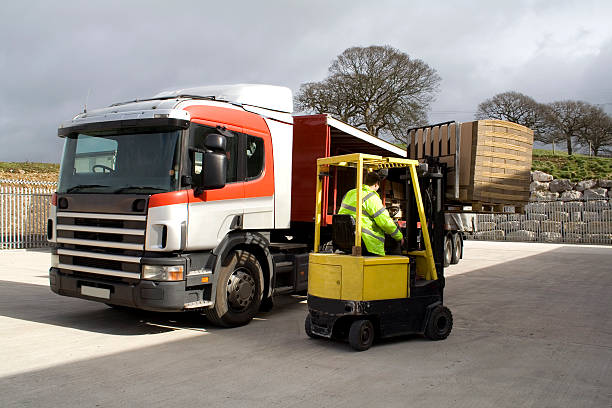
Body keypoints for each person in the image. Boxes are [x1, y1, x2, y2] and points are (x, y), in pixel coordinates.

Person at [338, 171, 403, 256]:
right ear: (376, 184)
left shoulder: (350, 193)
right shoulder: (371, 197)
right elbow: (384, 222)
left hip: (347, 238)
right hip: (367, 242)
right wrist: (399, 237)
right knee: (394, 229)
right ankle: (397, 262)